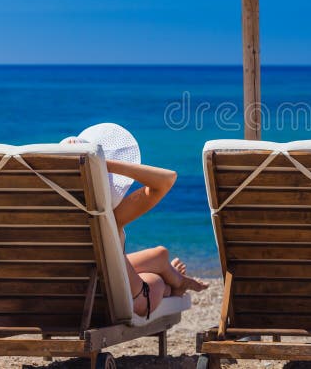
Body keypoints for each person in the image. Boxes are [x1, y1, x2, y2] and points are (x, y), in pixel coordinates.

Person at [62, 123, 207, 318]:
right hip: (120, 301)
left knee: (159, 256)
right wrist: (103, 164)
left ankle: (175, 279)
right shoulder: (107, 218)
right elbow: (167, 179)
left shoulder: (39, 214)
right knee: (159, 280)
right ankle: (174, 286)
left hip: (65, 297)